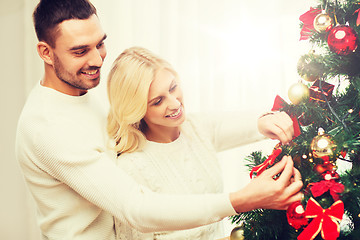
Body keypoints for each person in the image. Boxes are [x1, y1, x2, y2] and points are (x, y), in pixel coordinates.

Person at [15, 0, 303, 239]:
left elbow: (196, 129)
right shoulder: (48, 129)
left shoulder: (81, 87)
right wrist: (241, 200)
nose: (98, 60)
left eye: (100, 44)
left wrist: (259, 123)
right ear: (45, 53)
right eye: (80, 51)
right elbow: (136, 208)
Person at [106, 47, 301, 239]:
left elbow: (243, 124)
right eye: (158, 101)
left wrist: (268, 121)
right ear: (136, 109)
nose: (175, 103)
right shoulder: (130, 167)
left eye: (173, 87)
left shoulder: (194, 128)